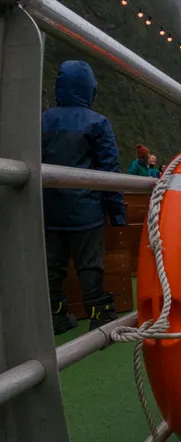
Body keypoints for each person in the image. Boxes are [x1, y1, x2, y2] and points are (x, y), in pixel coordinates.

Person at [42, 60, 126, 335]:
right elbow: (109, 170)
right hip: (85, 210)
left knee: (53, 267)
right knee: (90, 266)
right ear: (90, 88)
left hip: (49, 209)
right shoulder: (98, 123)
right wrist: (117, 213)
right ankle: (99, 315)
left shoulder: (42, 120)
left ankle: (56, 317)